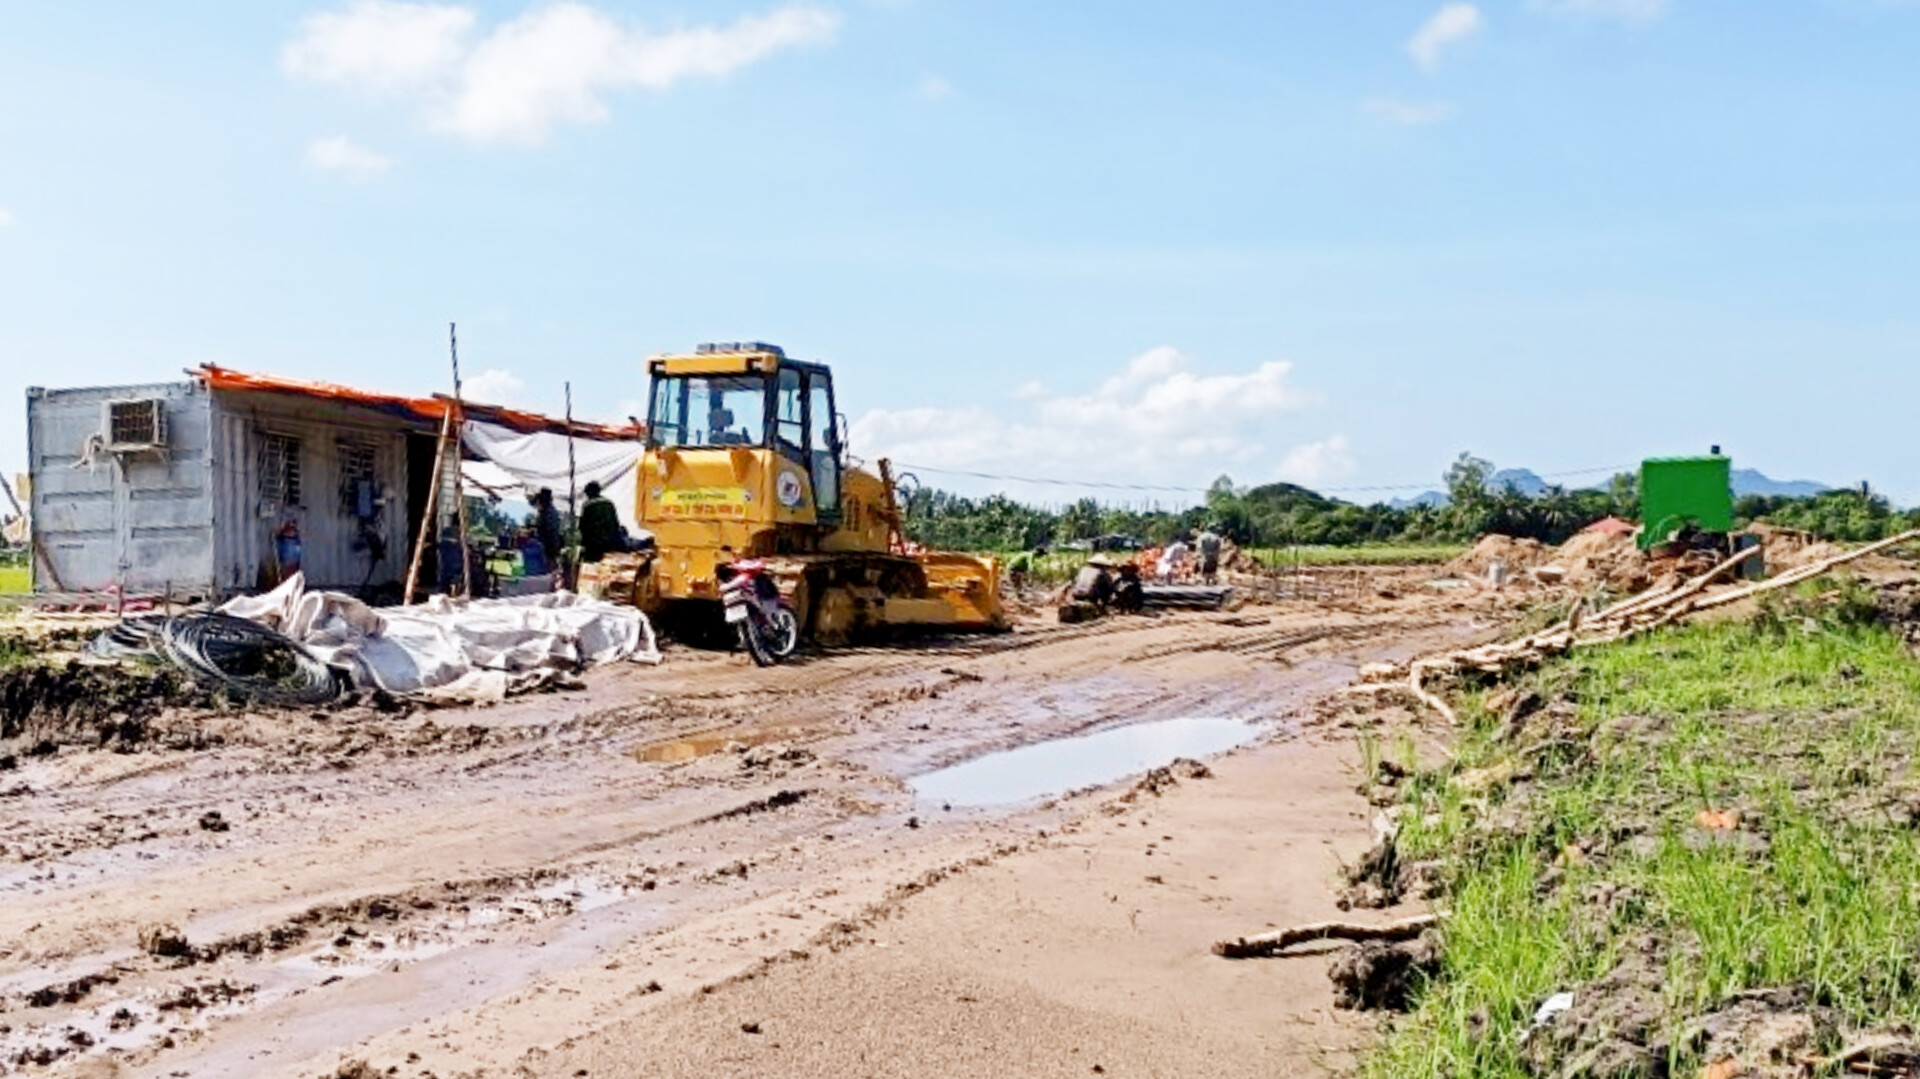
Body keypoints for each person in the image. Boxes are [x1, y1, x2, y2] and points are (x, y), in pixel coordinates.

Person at [578, 481, 626, 563]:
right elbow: (615, 523)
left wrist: (584, 543)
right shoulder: (609, 503)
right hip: (611, 542)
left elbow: (583, 526)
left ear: (589, 492)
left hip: (595, 544)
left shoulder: (588, 505)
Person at [533, 488, 565, 576]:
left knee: (550, 572)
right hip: (549, 547)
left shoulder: (549, 513)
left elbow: (549, 531)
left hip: (549, 548)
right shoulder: (546, 511)